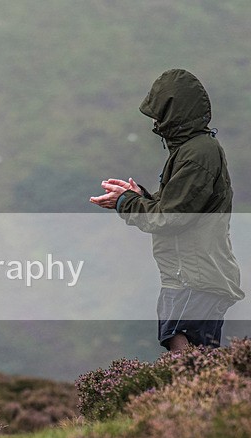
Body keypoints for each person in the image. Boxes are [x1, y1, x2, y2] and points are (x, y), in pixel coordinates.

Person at [90, 68, 243, 352]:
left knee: (186, 357)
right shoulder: (190, 150)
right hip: (187, 275)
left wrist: (126, 202)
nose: (156, 122)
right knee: (191, 357)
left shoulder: (198, 154)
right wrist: (140, 196)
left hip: (195, 278)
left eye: (160, 113)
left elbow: (169, 218)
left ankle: (200, 397)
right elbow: (176, 205)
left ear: (175, 112)